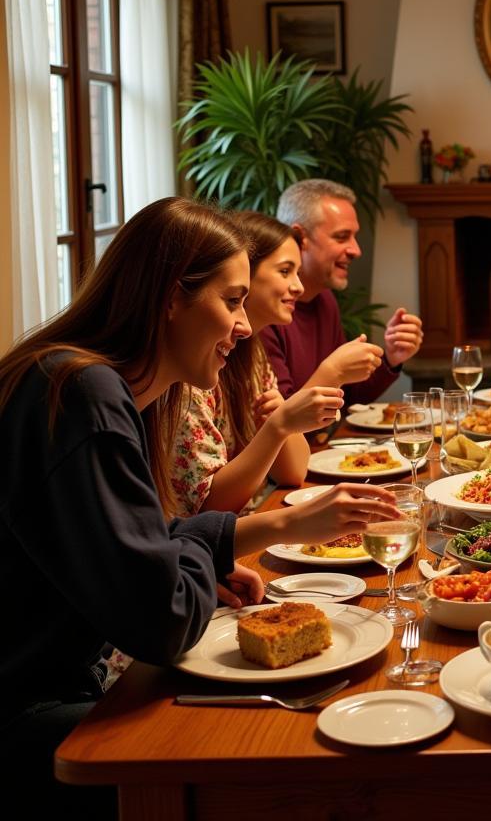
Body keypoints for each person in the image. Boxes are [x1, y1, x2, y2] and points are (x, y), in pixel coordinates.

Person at [0, 198, 401, 809]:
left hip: (76, 679)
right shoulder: (83, 395)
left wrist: (215, 549)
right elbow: (160, 620)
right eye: (232, 300)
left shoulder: (107, 388)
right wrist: (214, 554)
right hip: (32, 711)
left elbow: (145, 549)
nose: (244, 328)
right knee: (292, 757)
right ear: (169, 298)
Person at [167, 211, 381, 518]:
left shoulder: (252, 355)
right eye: (285, 271)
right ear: (246, 277)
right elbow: (208, 507)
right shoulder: (191, 367)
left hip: (240, 528)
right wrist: (283, 421)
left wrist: (282, 424)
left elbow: (294, 471)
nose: (297, 286)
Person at [263, 179, 423, 402]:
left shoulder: (325, 299)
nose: (356, 250)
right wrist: (332, 371)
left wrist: (391, 358)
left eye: (354, 237)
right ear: (300, 238)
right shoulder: (265, 310)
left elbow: (348, 397)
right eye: (341, 237)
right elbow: (278, 421)